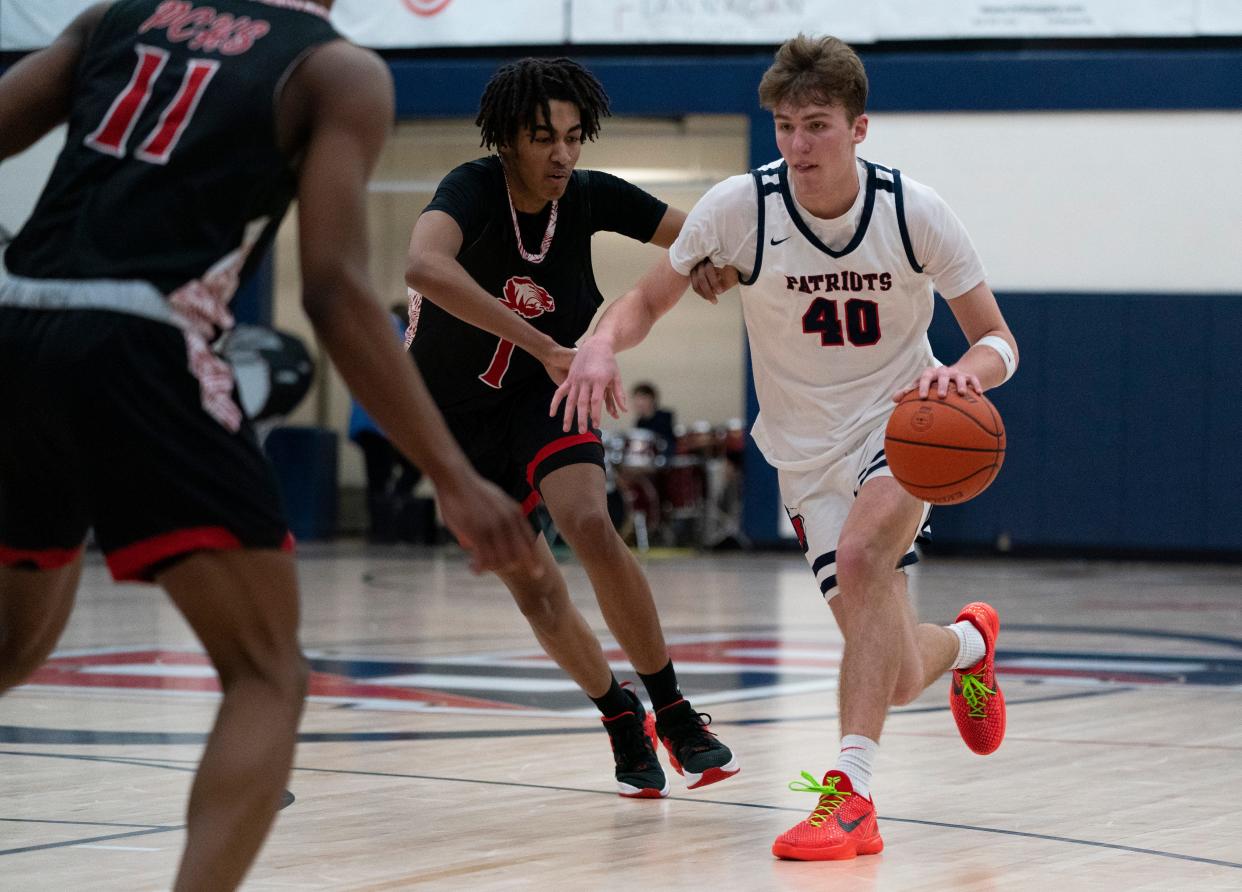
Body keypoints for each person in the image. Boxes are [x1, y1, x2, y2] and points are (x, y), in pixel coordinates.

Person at [0, 3, 538, 890]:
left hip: (15, 324)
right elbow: (333, 289)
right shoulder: (335, 69)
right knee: (267, 675)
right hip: (143, 340)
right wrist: (451, 473)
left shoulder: (110, 18)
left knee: (12, 648)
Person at [553, 34, 1018, 860]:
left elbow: (997, 339)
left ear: (859, 128)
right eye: (784, 126)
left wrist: (966, 377)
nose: (798, 146)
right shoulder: (740, 208)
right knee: (900, 671)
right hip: (803, 457)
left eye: (817, 126)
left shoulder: (914, 211)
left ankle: (850, 798)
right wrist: (599, 343)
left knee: (869, 560)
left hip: (900, 429)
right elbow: (647, 300)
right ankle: (973, 643)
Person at [404, 57, 738, 798]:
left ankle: (676, 711)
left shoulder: (590, 197)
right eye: (541, 136)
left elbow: (701, 236)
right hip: (451, 418)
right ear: (507, 139)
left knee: (589, 520)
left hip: (541, 396)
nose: (560, 153)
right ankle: (619, 714)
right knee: (530, 582)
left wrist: (712, 261)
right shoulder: (471, 188)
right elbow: (424, 267)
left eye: (573, 135)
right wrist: (542, 343)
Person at [349, 305, 424, 542]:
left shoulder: (376, 332)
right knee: (402, 471)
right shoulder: (398, 333)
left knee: (378, 478)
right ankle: (385, 526)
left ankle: (383, 526)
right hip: (382, 423)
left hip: (367, 422)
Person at [629, 381, 677, 459]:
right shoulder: (639, 422)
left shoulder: (664, 417)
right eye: (637, 399)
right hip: (647, 458)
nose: (639, 403)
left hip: (663, 460)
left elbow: (667, 444)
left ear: (652, 399)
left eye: (643, 398)